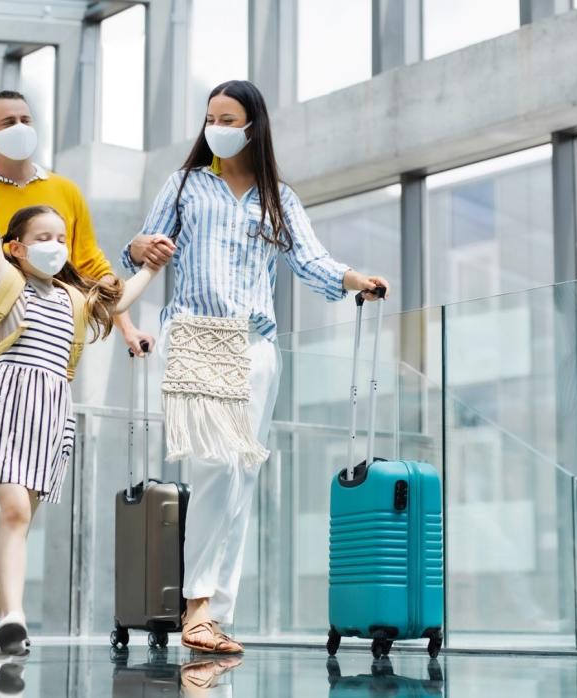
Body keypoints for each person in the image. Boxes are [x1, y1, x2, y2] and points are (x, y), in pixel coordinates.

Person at [122, 80, 390, 654]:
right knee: (217, 464)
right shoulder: (186, 184)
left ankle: (214, 613)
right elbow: (139, 248)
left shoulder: (278, 198)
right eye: (209, 116)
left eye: (228, 117)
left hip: (256, 346)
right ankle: (196, 606)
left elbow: (310, 260)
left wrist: (355, 281)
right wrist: (142, 246)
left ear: (252, 127)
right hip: (196, 333)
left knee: (240, 476)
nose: (215, 125)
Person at [0, 90, 154, 644]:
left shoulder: (65, 210)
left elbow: (101, 282)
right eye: (7, 121)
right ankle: (1, 606)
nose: (21, 126)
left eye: (27, 117)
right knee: (7, 502)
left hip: (51, 402)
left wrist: (135, 307)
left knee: (23, 513)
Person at [0, 125, 122, 655]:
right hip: (8, 403)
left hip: (50, 413)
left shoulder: (73, 298)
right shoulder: (8, 281)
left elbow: (117, 299)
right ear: (16, 248)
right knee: (13, 513)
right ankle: (13, 614)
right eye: (43, 239)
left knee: (18, 526)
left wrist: (151, 267)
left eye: (61, 239)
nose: (56, 247)